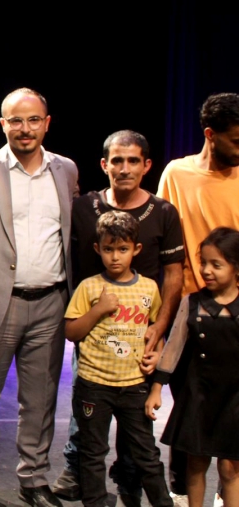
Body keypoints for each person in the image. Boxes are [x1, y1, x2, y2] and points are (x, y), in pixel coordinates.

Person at [0, 88, 79, 507]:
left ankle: (34, 478)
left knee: (40, 399)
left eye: (33, 120)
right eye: (15, 120)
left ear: (47, 123)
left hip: (51, 302)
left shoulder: (65, 170)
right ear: (2, 124)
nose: (24, 128)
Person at [54, 130, 185, 506]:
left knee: (136, 427)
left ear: (146, 165)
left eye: (133, 161)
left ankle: (130, 482)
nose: (124, 168)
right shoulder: (84, 207)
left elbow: (174, 273)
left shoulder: (163, 212)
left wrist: (159, 328)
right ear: (104, 165)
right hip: (95, 330)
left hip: (139, 330)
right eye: (117, 161)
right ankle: (76, 472)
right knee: (88, 414)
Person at [155, 92, 239, 507]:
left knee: (232, 406)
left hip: (235, 313)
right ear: (210, 134)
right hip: (190, 311)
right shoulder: (177, 174)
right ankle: (181, 491)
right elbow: (164, 240)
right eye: (236, 140)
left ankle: (228, 491)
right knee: (190, 408)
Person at [64, 210, 171, 507]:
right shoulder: (89, 287)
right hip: (94, 385)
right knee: (92, 452)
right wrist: (98, 310)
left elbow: (155, 331)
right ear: (97, 248)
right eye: (108, 249)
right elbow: (71, 332)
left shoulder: (149, 288)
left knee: (146, 453)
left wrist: (157, 354)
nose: (115, 257)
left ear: (136, 249)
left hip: (134, 386)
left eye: (123, 249)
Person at [146, 227, 239, 507]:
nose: (206, 270)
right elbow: (173, 349)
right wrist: (157, 388)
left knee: (230, 467)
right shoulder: (193, 303)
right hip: (199, 394)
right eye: (203, 263)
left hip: (234, 398)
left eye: (216, 265)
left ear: (236, 268)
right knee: (196, 462)